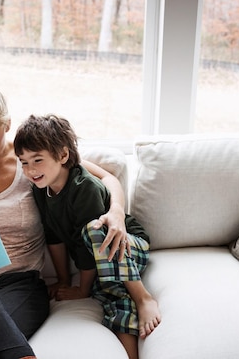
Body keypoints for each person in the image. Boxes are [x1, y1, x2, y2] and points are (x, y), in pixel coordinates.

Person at [0, 78, 130, 359]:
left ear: (6, 126)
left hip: (21, 286)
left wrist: (116, 211)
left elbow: (105, 176)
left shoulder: (31, 163)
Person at [13, 114, 162, 359]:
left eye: (37, 160)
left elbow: (90, 245)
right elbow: (53, 237)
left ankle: (143, 297)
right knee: (114, 295)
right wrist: (62, 279)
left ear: (62, 156)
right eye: (24, 162)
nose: (30, 170)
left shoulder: (84, 187)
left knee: (95, 229)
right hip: (104, 261)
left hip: (129, 246)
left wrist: (82, 289)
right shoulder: (40, 190)